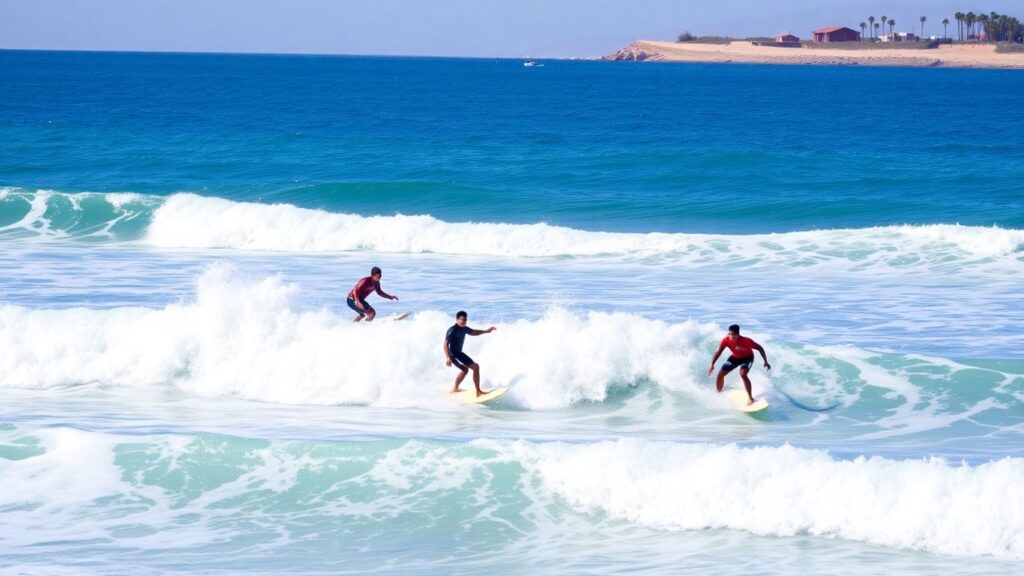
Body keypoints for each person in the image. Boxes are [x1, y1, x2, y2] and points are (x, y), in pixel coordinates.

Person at [708, 324, 771, 405]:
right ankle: (719, 393)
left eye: (733, 335)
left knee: (743, 374)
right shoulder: (726, 340)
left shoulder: (747, 341)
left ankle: (750, 399)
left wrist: (765, 361)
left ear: (738, 334)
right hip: (735, 357)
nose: (731, 337)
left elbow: (760, 348)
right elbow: (718, 352)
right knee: (721, 373)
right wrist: (712, 364)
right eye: (730, 334)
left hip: (747, 358)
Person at [444, 310, 496, 397]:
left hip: (459, 353)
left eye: (465, 320)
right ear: (457, 319)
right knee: (470, 368)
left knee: (471, 368)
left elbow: (474, 332)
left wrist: (486, 331)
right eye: (462, 319)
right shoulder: (452, 330)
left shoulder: (464, 329)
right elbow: (445, 344)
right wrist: (448, 357)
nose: (464, 321)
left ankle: (460, 389)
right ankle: (472, 390)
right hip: (453, 354)